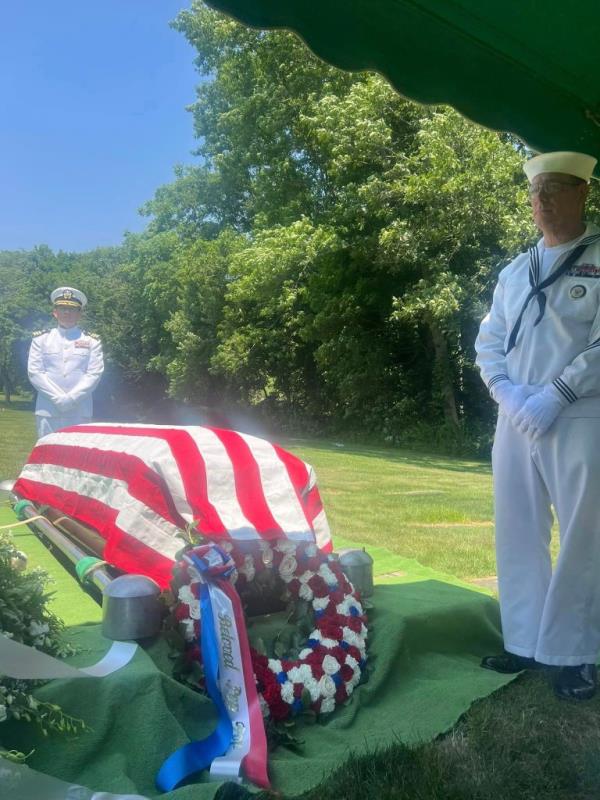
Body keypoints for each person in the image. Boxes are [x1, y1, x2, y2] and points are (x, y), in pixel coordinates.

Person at [475, 150, 600, 701]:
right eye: (535, 192)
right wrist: (505, 392)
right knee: (517, 530)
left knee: (583, 537)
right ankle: (524, 641)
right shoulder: (513, 270)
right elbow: (488, 342)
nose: (543, 201)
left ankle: (575, 654)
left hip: (578, 415)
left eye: (554, 189)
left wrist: (557, 394)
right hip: (515, 417)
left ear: (583, 194)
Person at [28, 286, 104, 438]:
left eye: (72, 309)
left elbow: (94, 374)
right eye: (62, 308)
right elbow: (35, 373)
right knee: (47, 455)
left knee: (77, 457)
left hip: (79, 411)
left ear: (80, 313)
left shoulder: (91, 341)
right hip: (48, 410)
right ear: (55, 312)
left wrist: (70, 399)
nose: (67, 313)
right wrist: (59, 399)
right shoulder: (41, 339)